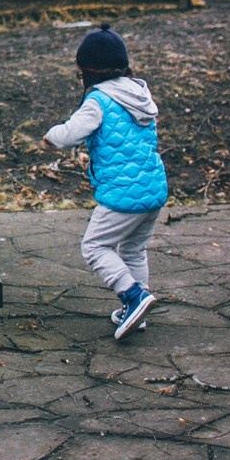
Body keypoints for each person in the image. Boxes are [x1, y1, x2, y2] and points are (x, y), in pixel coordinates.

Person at [45, 24, 168, 340]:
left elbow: (71, 133)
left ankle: (133, 297)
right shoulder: (139, 94)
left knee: (95, 246)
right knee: (133, 249)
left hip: (122, 194)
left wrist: (50, 137)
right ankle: (136, 312)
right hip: (153, 188)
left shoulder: (98, 101)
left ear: (90, 72)